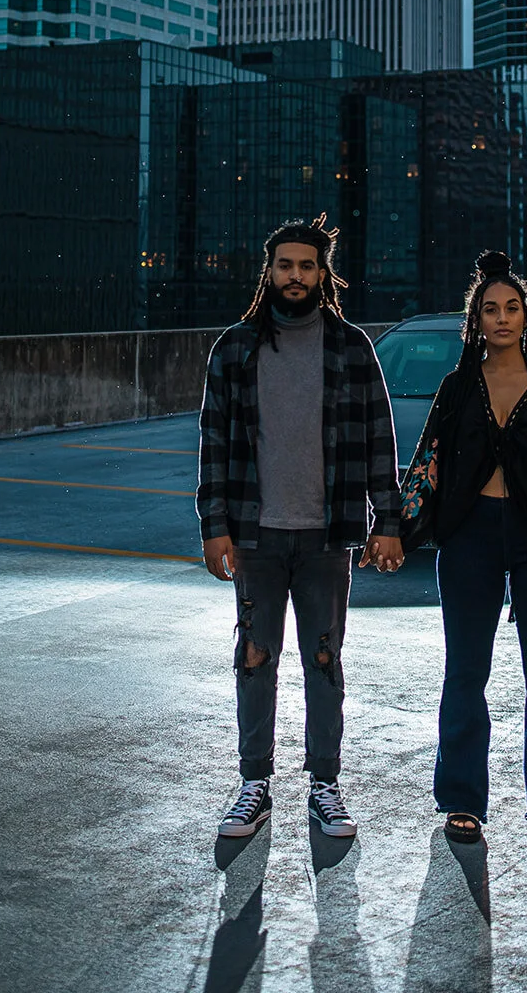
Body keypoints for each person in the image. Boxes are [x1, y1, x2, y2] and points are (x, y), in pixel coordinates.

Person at [197, 214, 404, 842]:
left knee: (325, 660)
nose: (295, 276)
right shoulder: (235, 348)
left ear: (323, 275)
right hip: (255, 532)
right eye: (285, 265)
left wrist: (387, 520)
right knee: (254, 659)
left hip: (326, 535)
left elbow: (379, 440)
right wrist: (213, 524)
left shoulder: (351, 348)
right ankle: (253, 784)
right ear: (269, 272)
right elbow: (213, 442)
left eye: (306, 266)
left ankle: (325, 785)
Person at [401, 250, 527, 847]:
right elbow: (430, 460)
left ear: (526, 317)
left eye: (512, 308)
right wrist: (395, 529)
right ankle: (462, 799)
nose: (502, 318)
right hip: (471, 536)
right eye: (490, 309)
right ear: (477, 321)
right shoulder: (457, 388)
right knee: (466, 671)